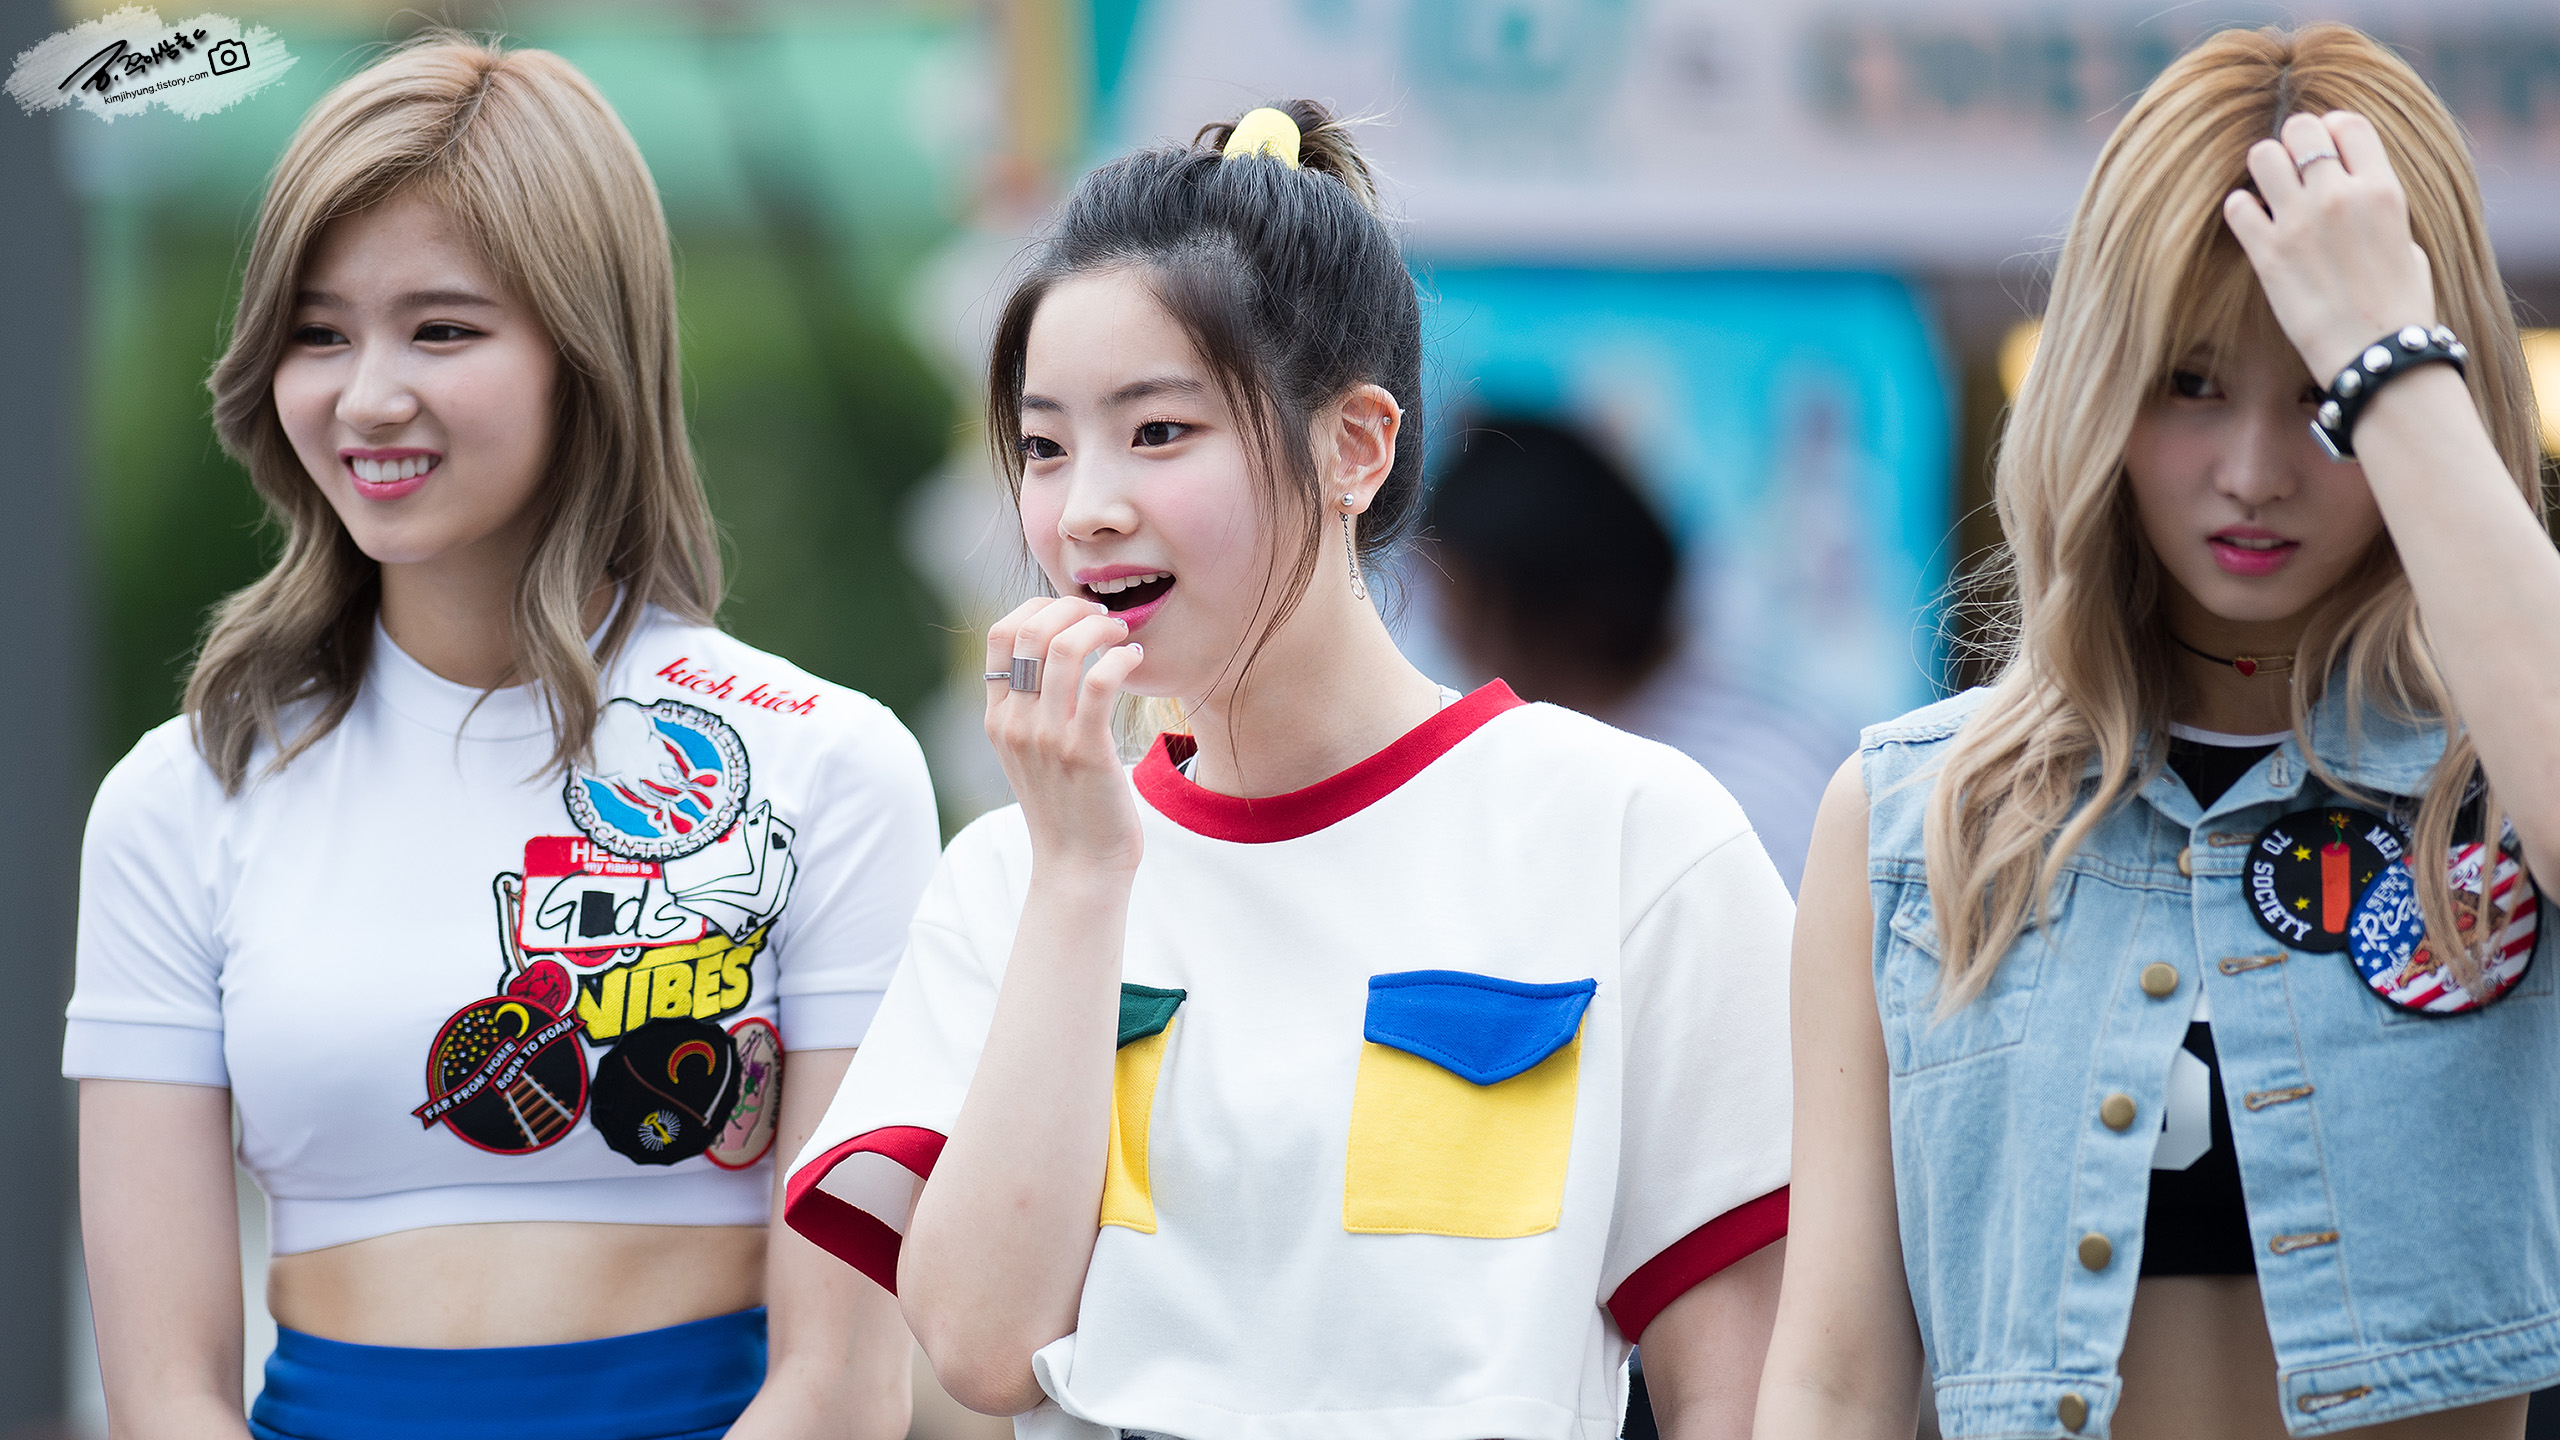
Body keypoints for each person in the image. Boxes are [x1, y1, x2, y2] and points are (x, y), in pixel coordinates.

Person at [781, 102, 1796, 1439]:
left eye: (1158, 432)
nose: (1086, 508)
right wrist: (1081, 873)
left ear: (1355, 446)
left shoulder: (1631, 836)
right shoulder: (1013, 876)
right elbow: (980, 1346)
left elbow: (1746, 1392)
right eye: (1044, 446)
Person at [66, 36, 937, 1440]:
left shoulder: (825, 766)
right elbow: (166, 1397)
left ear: (585, 356)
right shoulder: (184, 796)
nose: (367, 396)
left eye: (442, 330)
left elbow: (842, 1384)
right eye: (319, 333)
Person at [1757, 23, 2559, 1440]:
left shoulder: (2491, 787)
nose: (2253, 472)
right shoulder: (1915, 819)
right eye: (2189, 382)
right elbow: (1834, 1378)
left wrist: (2389, 357)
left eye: (2321, 395)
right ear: (2101, 386)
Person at [1425, 414, 1847, 894]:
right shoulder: (1747, 729)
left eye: (1457, 615)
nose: (1449, 642)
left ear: (1514, 622)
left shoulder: (1738, 796)